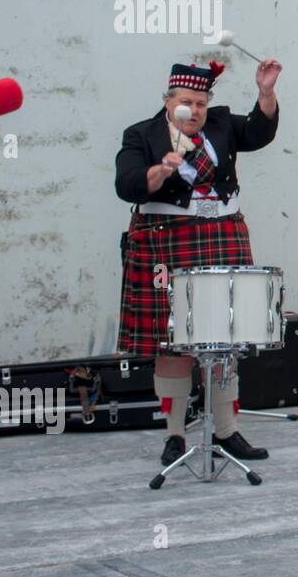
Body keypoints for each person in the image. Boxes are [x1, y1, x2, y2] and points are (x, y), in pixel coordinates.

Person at [114, 57, 282, 465]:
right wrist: (158, 171)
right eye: (187, 102)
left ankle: (226, 431)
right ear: (168, 102)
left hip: (222, 234)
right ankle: (174, 434)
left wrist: (265, 92)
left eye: (202, 102)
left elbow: (259, 133)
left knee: (225, 336)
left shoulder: (222, 125)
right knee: (172, 343)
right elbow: (127, 184)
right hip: (164, 239)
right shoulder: (143, 134)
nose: (196, 110)